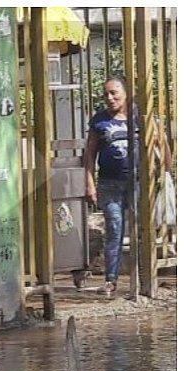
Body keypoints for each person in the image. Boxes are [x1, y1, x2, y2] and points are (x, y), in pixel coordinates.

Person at [84, 77, 136, 295]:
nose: (110, 98)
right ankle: (111, 280)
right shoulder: (99, 120)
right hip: (109, 184)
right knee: (115, 228)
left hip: (137, 183)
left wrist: (164, 175)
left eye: (114, 93)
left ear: (126, 93)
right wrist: (89, 184)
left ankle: (142, 277)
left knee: (140, 230)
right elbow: (89, 154)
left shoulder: (138, 118)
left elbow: (159, 143)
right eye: (106, 94)